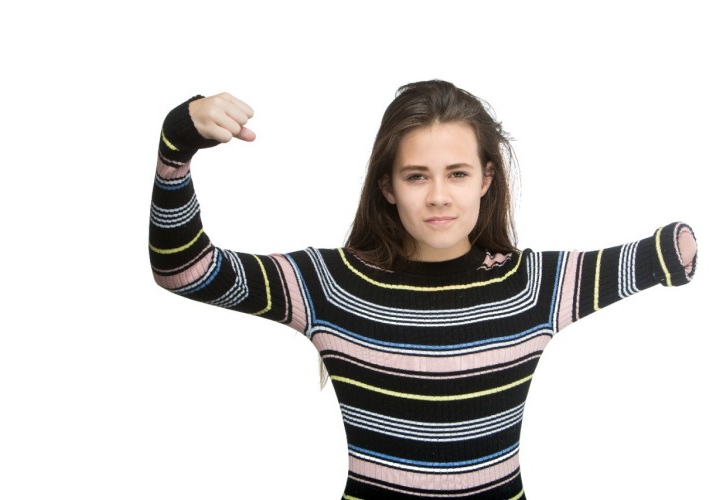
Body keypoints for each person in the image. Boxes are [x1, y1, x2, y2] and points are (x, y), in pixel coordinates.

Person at [149, 80, 696, 499]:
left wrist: (672, 252)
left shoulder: (535, 286)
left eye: (457, 174)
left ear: (486, 179)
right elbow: (185, 269)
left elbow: (666, 252)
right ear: (387, 187)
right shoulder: (330, 284)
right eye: (416, 176)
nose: (438, 196)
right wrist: (178, 143)